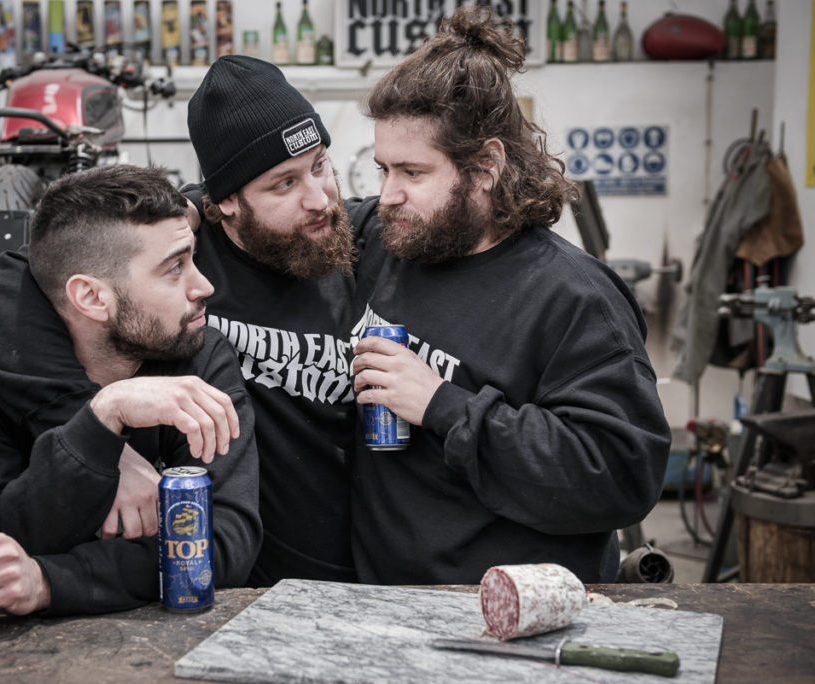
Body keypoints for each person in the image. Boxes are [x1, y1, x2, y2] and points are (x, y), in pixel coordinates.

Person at [348, 7, 672, 585]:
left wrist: (443, 405)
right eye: (382, 170)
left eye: (412, 172)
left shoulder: (573, 298)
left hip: (509, 625)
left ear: (486, 166)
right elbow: (292, 220)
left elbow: (621, 475)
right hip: (381, 613)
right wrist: (190, 211)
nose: (388, 194)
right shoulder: (395, 240)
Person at [0, 165, 261, 615]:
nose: (203, 285)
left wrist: (52, 581)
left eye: (192, 257)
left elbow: (225, 542)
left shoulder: (197, 354)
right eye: (174, 268)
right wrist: (100, 423)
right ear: (91, 298)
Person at [182, 55, 366, 585]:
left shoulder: (355, 242)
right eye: (283, 184)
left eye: (319, 165)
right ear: (227, 202)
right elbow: (31, 276)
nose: (320, 199)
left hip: (373, 572)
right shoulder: (185, 263)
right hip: (244, 585)